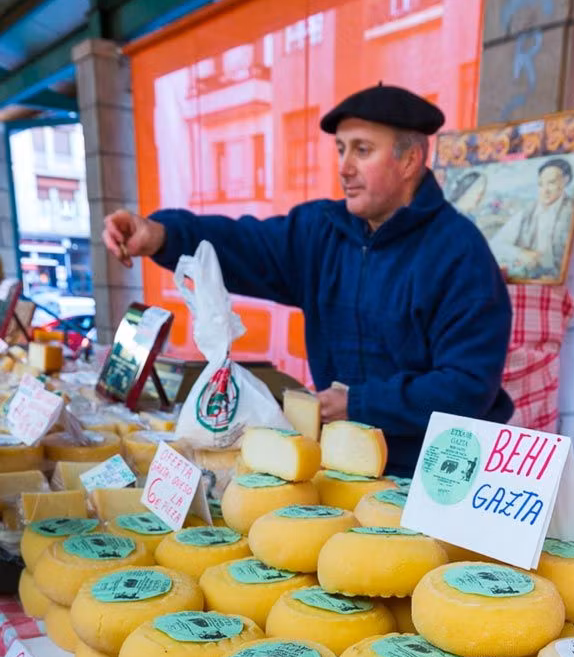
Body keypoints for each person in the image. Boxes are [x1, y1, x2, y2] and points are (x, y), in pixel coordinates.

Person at [103, 84, 513, 475]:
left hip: (430, 472)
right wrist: (161, 235)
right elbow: (244, 243)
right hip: (340, 460)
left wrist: (360, 404)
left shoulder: (460, 253)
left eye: (362, 150)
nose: (344, 168)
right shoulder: (321, 230)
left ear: (409, 160)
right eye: (341, 150)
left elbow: (467, 386)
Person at [490, 156, 574, 280]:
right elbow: (496, 244)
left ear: (565, 181)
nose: (545, 190)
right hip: (530, 280)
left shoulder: (572, 210)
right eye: (541, 184)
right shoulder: (528, 211)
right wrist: (521, 253)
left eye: (551, 183)